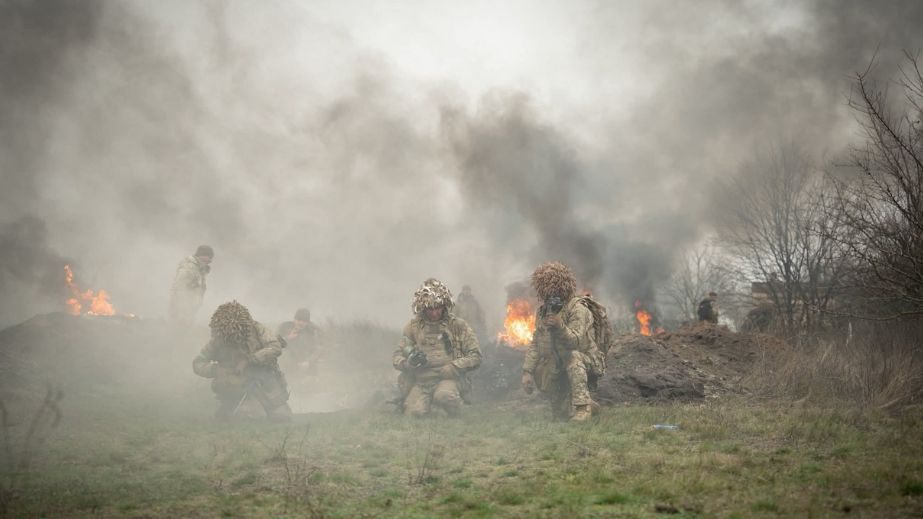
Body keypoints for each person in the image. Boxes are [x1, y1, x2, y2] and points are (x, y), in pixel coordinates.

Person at [521, 262, 605, 422]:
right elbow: (536, 343)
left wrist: (560, 326)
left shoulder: (577, 309)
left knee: (573, 357)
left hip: (585, 360)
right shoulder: (542, 312)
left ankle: (582, 407)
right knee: (560, 416)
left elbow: (576, 342)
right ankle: (588, 404)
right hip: (557, 363)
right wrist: (527, 371)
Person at [392, 278, 481, 417]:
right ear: (422, 307)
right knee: (413, 413)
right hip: (422, 381)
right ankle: (430, 406)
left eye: (438, 308)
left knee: (444, 396)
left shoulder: (457, 325)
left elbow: (475, 355)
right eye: (430, 309)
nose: (434, 313)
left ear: (445, 305)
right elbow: (397, 355)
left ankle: (458, 409)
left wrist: (454, 366)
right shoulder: (413, 327)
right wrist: (407, 363)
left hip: (449, 379)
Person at [193, 300, 292, 420]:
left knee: (281, 416)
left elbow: (275, 347)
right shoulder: (217, 340)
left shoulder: (258, 330)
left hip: (264, 380)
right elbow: (198, 362)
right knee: (237, 416)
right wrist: (215, 369)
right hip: (235, 383)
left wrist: (249, 360)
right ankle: (234, 406)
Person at [169, 245, 213, 323]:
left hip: (190, 312)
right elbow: (179, 288)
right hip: (181, 312)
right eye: (206, 257)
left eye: (210, 259)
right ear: (199, 255)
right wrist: (182, 312)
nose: (208, 260)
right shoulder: (188, 267)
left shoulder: (200, 269)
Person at [277, 308, 322, 376]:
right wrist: (287, 338)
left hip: (304, 363)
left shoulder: (312, 331)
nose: (301, 323)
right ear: (294, 319)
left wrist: (308, 362)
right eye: (298, 320)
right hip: (286, 363)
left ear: (307, 322)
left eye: (304, 321)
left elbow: (318, 348)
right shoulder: (284, 327)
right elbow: (273, 344)